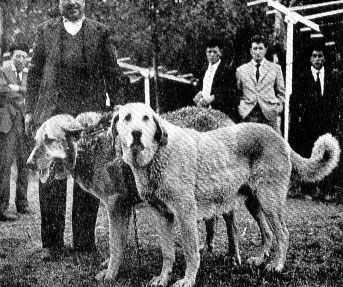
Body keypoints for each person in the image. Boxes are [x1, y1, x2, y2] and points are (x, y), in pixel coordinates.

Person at [25, 0, 129, 259]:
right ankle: (52, 244)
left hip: (88, 120)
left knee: (88, 178)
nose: (71, 2)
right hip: (51, 115)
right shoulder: (45, 30)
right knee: (50, 178)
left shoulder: (100, 31)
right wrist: (30, 110)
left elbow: (112, 71)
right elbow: (35, 73)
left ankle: (84, 240)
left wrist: (117, 104)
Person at [289, 43, 340, 196]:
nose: (317, 59)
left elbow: (335, 101)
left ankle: (326, 189)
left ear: (324, 58)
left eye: (320, 56)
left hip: (326, 124)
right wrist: (297, 123)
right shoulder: (302, 78)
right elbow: (294, 102)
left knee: (326, 155)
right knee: (308, 155)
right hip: (307, 125)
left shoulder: (332, 78)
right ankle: (308, 189)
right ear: (310, 59)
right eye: (314, 56)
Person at [0, 43, 31, 221]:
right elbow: (2, 90)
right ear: (11, 56)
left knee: (24, 164)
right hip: (7, 124)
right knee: (4, 166)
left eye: (23, 56)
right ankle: (2, 207)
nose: (20, 59)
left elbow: (34, 91)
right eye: (17, 56)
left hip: (25, 125)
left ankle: (22, 204)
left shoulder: (28, 74)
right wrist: (17, 92)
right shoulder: (3, 70)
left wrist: (17, 88)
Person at [236, 35, 285, 133]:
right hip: (248, 114)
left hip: (269, 114)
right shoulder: (241, 70)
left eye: (260, 48)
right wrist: (241, 107)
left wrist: (278, 108)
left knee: (272, 144)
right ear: (250, 50)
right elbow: (237, 92)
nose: (257, 52)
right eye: (255, 48)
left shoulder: (275, 68)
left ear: (265, 50)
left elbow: (281, 92)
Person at [193, 38, 239, 122]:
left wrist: (213, 98)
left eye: (215, 52)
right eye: (209, 52)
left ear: (220, 53)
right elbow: (199, 87)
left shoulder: (227, 70)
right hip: (203, 110)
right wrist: (198, 96)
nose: (212, 54)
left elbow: (231, 93)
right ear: (206, 53)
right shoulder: (203, 69)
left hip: (220, 112)